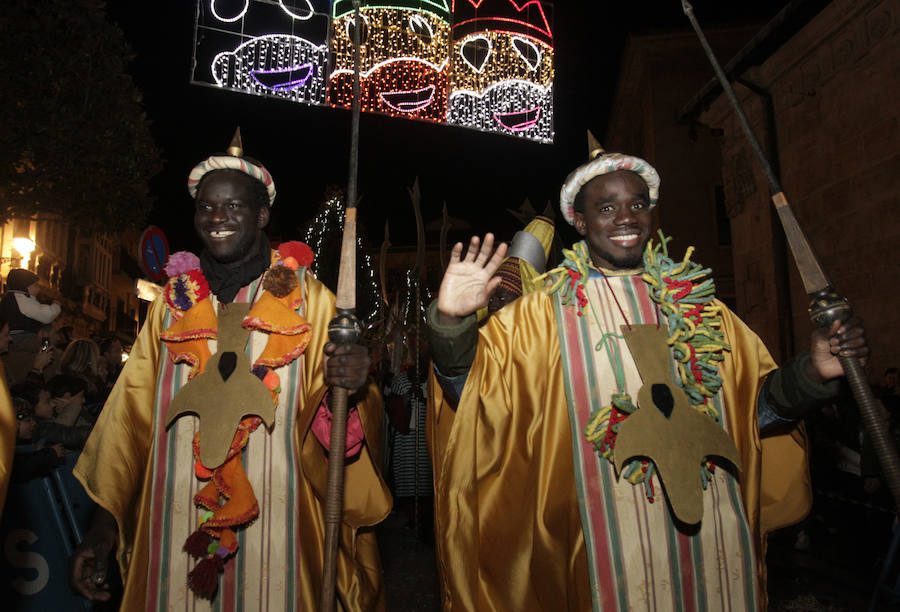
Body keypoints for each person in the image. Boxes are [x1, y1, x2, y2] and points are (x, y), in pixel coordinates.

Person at [426, 148, 869, 610]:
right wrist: (451, 322)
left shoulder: (703, 309)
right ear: (579, 221)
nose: (626, 217)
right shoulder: (537, 319)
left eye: (638, 204)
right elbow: (474, 397)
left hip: (714, 544)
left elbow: (754, 411)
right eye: (606, 207)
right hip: (598, 548)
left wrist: (814, 371)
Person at [69, 131, 391, 610]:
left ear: (262, 215)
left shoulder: (311, 300)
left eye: (233, 207)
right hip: (174, 524)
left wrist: (355, 383)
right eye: (205, 207)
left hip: (279, 529)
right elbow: (128, 422)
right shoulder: (172, 306)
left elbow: (345, 423)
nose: (216, 218)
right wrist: (100, 530)